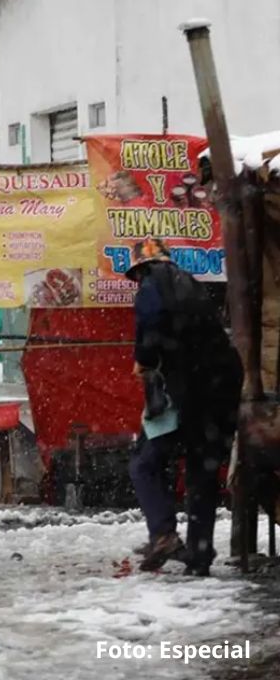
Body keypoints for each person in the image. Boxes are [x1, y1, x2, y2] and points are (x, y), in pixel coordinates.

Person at [127, 238, 242, 576]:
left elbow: (152, 321)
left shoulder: (154, 283)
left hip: (192, 392)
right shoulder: (190, 285)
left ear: (141, 268)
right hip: (223, 391)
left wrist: (143, 360)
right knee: (201, 473)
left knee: (143, 464)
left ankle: (163, 534)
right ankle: (199, 555)